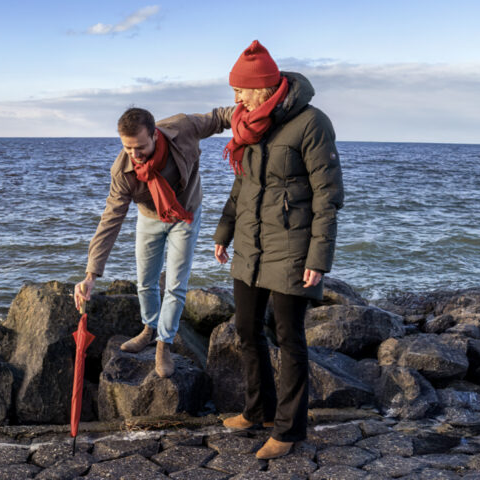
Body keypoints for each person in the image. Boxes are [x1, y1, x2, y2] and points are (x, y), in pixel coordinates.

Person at [213, 40, 344, 459]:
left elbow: (328, 195)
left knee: (290, 339)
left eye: (242, 90)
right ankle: (259, 412)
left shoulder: (312, 123)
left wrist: (317, 259)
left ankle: (289, 431)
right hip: (251, 244)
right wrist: (224, 232)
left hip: (292, 246)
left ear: (265, 88)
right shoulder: (250, 124)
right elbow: (243, 186)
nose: (236, 98)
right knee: (246, 329)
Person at [75, 106, 233, 378]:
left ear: (155, 136)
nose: (134, 155)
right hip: (150, 217)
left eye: (140, 147)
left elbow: (220, 118)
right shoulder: (123, 172)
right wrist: (91, 275)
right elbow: (110, 221)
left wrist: (253, 116)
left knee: (175, 284)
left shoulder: (183, 128)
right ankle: (149, 328)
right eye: (127, 148)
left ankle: (164, 343)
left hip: (186, 215)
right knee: (145, 281)